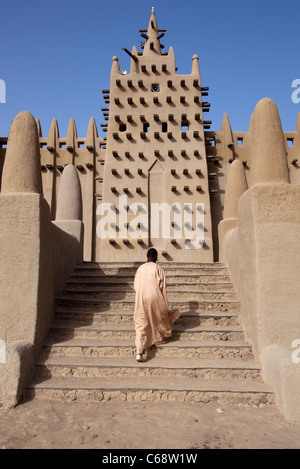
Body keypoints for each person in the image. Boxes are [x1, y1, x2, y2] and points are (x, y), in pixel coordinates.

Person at [133, 248, 180, 362]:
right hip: (154, 296)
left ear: (147, 256)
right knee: (158, 316)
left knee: (140, 323)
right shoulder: (157, 267)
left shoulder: (140, 269)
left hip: (140, 297)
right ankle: (157, 337)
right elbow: (162, 285)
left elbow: (135, 285)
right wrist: (163, 302)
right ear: (155, 257)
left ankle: (139, 352)